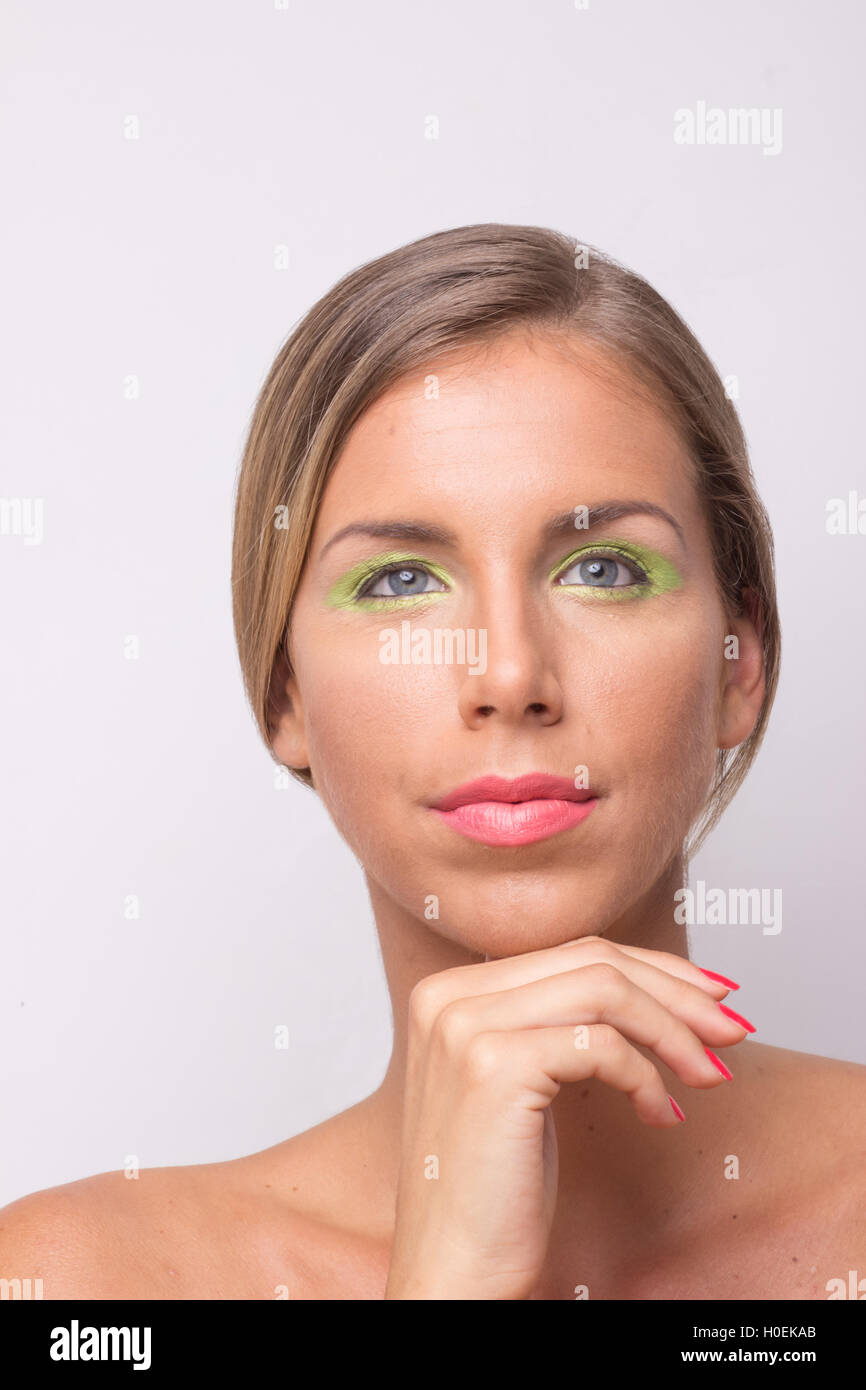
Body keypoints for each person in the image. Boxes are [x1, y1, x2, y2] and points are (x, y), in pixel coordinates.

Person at [2, 225, 864, 1300]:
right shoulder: (77, 1283)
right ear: (285, 695)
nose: (506, 674)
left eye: (600, 566)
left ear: (740, 660)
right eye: (402, 582)